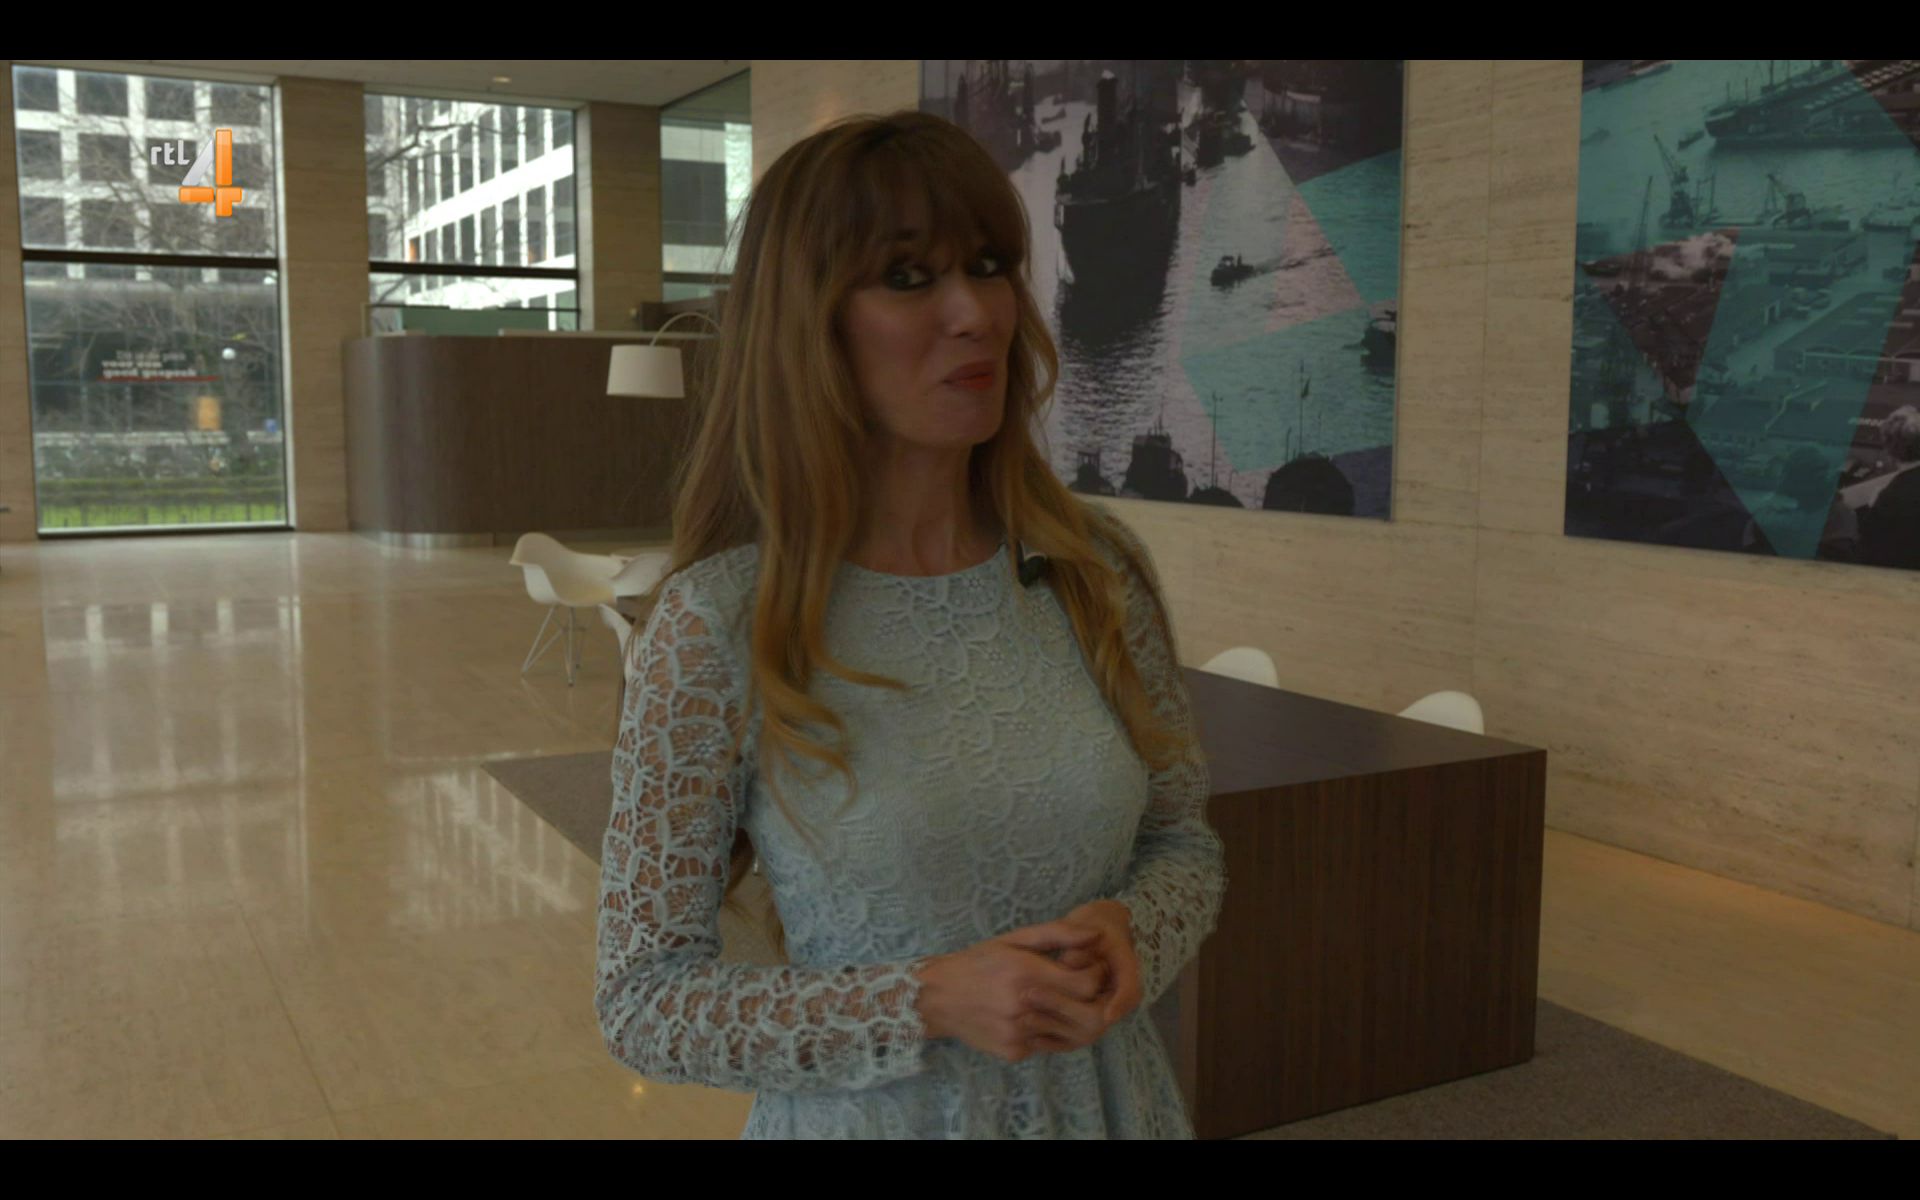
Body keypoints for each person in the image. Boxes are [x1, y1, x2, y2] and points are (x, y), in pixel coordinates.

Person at [594, 109, 1227, 1139]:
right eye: (907, 277)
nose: (977, 314)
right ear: (809, 325)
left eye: (989, 266)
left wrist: (1134, 932)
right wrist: (926, 999)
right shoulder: (718, 624)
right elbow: (645, 1000)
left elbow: (1180, 841)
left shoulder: (1091, 571)